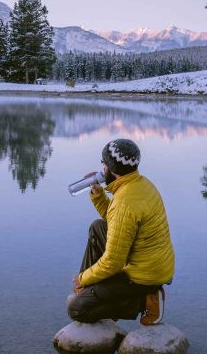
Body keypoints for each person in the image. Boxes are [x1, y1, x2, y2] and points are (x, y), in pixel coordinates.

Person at [67, 139, 174, 325]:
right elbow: (118, 223)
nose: (101, 169)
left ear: (111, 170)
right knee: (97, 227)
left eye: (104, 164)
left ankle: (144, 301)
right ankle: (89, 289)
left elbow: (113, 262)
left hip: (143, 276)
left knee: (77, 310)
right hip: (151, 263)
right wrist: (98, 194)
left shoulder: (124, 201)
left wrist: (83, 277)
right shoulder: (141, 184)